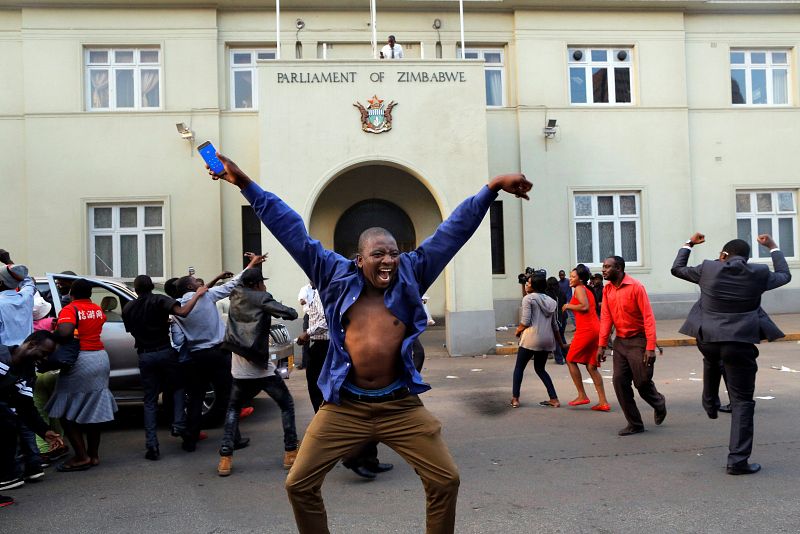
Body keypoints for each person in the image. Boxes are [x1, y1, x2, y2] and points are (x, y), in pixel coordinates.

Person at [209, 152, 530, 534]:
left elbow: (453, 232)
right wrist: (245, 182)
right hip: (345, 407)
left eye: (393, 253)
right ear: (358, 258)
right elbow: (288, 226)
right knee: (298, 484)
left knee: (446, 479)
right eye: (378, 254)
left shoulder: (413, 272)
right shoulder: (331, 274)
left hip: (400, 406)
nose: (389, 261)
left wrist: (490, 188)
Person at [671, 233, 790, 475]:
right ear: (746, 258)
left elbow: (677, 269)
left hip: (708, 338)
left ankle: (710, 401)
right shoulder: (758, 274)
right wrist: (773, 247)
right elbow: (785, 275)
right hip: (739, 342)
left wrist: (689, 244)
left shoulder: (708, 269)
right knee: (743, 402)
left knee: (712, 359)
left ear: (724, 255)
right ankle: (737, 461)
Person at [170, 253, 265, 452]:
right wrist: (252, 264)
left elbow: (209, 289)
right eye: (196, 281)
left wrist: (216, 278)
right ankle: (234, 438)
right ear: (190, 286)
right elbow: (234, 283)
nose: (200, 283)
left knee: (196, 398)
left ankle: (190, 439)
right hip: (218, 353)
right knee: (230, 396)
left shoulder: (178, 307)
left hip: (197, 356)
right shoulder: (207, 297)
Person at [217, 268, 299, 476]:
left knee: (233, 409)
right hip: (259, 364)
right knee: (286, 404)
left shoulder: (235, 295)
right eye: (262, 282)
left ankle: (225, 458)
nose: (265, 285)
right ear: (255, 285)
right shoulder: (261, 297)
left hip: (238, 362)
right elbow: (289, 313)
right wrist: (287, 309)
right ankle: (290, 452)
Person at [122, 275, 208, 460]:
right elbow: (183, 312)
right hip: (165, 351)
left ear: (136, 290)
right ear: (152, 286)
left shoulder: (128, 307)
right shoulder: (160, 300)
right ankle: (178, 424)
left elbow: (132, 329)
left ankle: (152, 445)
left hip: (145, 354)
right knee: (178, 388)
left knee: (150, 400)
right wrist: (197, 295)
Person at [45, 279, 118, 470]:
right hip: (100, 358)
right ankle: (93, 455)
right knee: (93, 408)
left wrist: (53, 332)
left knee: (65, 409)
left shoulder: (70, 309)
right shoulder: (97, 309)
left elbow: (66, 332)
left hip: (80, 360)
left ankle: (81, 456)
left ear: (71, 293)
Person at [597, 256, 666, 436]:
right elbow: (606, 317)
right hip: (620, 342)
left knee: (642, 382)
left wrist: (650, 347)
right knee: (619, 381)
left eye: (607, 267)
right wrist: (601, 345)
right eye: (603, 267)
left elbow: (648, 317)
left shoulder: (636, 287)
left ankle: (658, 402)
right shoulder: (607, 290)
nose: (603, 270)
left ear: (618, 268)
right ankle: (635, 423)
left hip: (639, 341)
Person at [1, 331, 64, 504]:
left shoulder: (28, 371)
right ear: (31, 344)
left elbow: (26, 406)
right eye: (43, 353)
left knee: (8, 425)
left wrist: (45, 431)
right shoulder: (1, 358)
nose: (44, 359)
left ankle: (7, 475)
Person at [563, 265, 609, 412]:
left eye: (573, 276)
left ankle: (582, 395)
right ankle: (603, 402)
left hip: (587, 330)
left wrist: (568, 306)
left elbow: (584, 307)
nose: (570, 279)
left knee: (570, 359)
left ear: (581, 279)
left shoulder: (580, 289)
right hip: (596, 328)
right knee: (591, 366)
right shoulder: (587, 289)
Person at [511, 274, 560, 408]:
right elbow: (555, 325)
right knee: (540, 369)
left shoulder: (528, 299)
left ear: (534, 286)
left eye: (528, 283)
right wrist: (560, 343)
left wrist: (517, 331)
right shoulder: (551, 301)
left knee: (519, 368)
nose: (527, 284)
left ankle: (515, 398)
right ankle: (554, 399)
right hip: (547, 340)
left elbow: (525, 321)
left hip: (530, 339)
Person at [0, 264, 35, 347]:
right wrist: (9, 263)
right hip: (26, 353)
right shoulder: (26, 298)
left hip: (5, 356)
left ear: (0, 283)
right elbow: (29, 283)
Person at [545, 276, 567, 365]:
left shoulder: (547, 294)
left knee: (556, 339)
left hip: (556, 319)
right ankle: (567, 356)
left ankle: (559, 359)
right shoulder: (561, 292)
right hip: (563, 318)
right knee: (561, 337)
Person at [297, 282, 315, 370]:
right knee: (305, 339)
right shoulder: (305, 289)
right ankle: (304, 363)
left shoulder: (321, 287)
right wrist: (303, 301)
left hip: (319, 316)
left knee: (320, 339)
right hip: (308, 316)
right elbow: (301, 300)